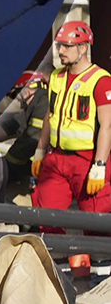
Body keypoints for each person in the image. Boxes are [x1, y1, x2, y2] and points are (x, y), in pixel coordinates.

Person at [21, 20, 111, 215]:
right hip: (56, 157)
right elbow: (50, 115)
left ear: (83, 48)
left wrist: (100, 165)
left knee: (95, 218)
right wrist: (40, 151)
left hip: (86, 159)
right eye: (59, 45)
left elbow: (107, 126)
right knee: (45, 214)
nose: (60, 51)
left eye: (66, 46)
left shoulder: (101, 80)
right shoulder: (56, 77)